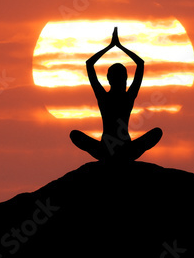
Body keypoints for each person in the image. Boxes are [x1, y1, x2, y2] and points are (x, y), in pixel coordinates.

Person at [69, 27, 162, 162]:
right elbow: (140, 64)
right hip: (118, 150)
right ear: (112, 79)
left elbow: (90, 64)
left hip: (113, 150)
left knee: (157, 132)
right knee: (75, 134)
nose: (122, 81)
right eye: (121, 77)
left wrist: (113, 46)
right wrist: (117, 46)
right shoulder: (123, 97)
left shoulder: (107, 97)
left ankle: (110, 157)